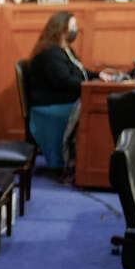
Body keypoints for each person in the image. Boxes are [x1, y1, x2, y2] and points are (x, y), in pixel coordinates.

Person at [27, 11, 104, 172]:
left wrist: (98, 75)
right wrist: (89, 85)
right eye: (73, 26)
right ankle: (81, 164)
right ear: (61, 28)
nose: (75, 30)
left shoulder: (65, 50)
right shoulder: (51, 53)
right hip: (49, 105)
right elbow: (64, 81)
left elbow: (78, 72)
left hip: (62, 99)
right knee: (90, 112)